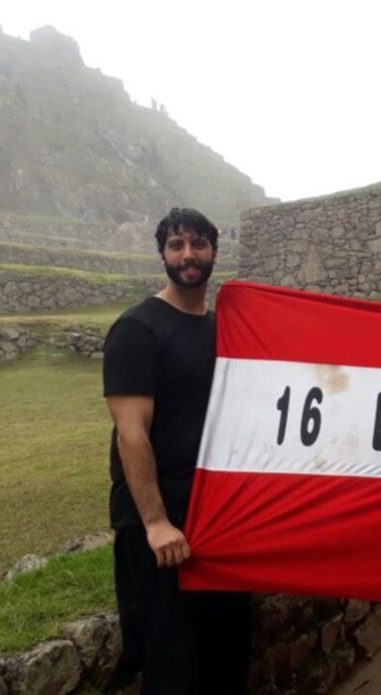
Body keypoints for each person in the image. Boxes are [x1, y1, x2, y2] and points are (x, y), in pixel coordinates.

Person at [103, 207, 251, 694]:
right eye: (176, 245)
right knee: (174, 668)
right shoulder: (138, 330)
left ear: (214, 250)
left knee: (228, 657)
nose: (188, 256)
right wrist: (155, 523)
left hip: (217, 520)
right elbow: (131, 433)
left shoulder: (222, 329)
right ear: (163, 254)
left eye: (197, 245)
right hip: (163, 529)